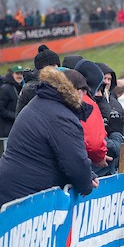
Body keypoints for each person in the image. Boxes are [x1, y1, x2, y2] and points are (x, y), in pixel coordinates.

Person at [0, 67, 98, 207]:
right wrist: (86, 183)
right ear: (77, 91)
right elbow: (75, 163)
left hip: (13, 186)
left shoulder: (39, 102)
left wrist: (88, 174)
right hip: (25, 195)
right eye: (84, 93)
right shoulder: (62, 117)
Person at [16, 44, 61, 115]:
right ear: (42, 68)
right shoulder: (31, 88)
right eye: (52, 66)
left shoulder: (57, 83)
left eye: (57, 65)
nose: (56, 69)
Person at [0, 65, 24, 138]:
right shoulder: (5, 88)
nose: (19, 76)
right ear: (12, 74)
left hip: (17, 127)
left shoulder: (21, 88)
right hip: (6, 129)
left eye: (21, 74)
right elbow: (1, 109)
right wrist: (15, 116)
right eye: (17, 73)